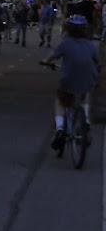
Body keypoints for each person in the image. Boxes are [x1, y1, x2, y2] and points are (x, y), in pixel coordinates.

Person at [41, 15, 99, 152]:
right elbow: (96, 61)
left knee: (61, 101)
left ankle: (60, 128)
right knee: (86, 93)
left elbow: (52, 57)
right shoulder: (90, 45)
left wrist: (45, 61)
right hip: (88, 78)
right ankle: (86, 121)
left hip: (68, 79)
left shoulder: (65, 44)